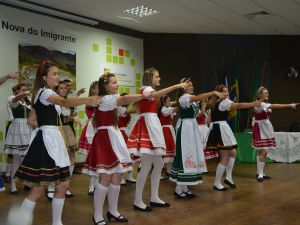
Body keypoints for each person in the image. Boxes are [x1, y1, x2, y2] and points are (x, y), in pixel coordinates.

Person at [8, 60, 100, 225]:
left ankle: (57, 223)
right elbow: (64, 102)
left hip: (53, 138)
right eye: (55, 74)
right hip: (47, 141)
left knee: (63, 185)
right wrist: (87, 99)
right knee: (37, 189)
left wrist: (48, 126)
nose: (58, 77)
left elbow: (31, 120)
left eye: (59, 73)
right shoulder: (44, 93)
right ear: (44, 77)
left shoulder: (44, 94)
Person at [82, 73, 151, 225]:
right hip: (105, 138)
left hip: (114, 136)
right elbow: (125, 100)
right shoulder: (106, 99)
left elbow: (124, 110)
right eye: (114, 82)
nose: (117, 84)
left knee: (118, 176)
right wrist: (143, 95)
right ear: (105, 86)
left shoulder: (112, 101)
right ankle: (97, 215)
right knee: (105, 178)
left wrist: (141, 110)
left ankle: (113, 211)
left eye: (117, 82)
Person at [127, 67, 188, 212]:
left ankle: (154, 197)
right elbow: (156, 94)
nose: (159, 78)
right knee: (147, 165)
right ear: (150, 79)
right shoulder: (145, 89)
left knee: (159, 163)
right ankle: (138, 200)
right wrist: (177, 86)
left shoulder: (148, 91)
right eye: (157, 76)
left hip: (152, 124)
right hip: (148, 125)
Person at [170, 78, 224, 199]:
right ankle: (178, 189)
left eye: (192, 85)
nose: (191, 87)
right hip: (186, 129)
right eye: (189, 85)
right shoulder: (184, 98)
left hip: (192, 127)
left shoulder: (191, 100)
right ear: (183, 87)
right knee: (185, 155)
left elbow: (198, 113)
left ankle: (184, 187)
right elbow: (195, 98)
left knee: (191, 155)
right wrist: (213, 93)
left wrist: (204, 105)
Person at [206, 84, 260, 191]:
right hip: (222, 129)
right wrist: (252, 104)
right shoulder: (224, 102)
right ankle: (217, 183)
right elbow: (239, 105)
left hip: (220, 128)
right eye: (224, 92)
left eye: (227, 91)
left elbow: (208, 120)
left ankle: (229, 177)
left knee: (233, 153)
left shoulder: (215, 103)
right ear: (218, 93)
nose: (226, 93)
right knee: (224, 157)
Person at [252, 86, 299, 182]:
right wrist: (289, 105)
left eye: (267, 93)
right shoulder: (260, 104)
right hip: (261, 129)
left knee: (261, 151)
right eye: (265, 93)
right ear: (260, 95)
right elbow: (274, 106)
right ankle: (260, 174)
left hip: (265, 127)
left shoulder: (263, 104)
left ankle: (259, 172)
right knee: (263, 151)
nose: (267, 94)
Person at [46, 81, 81, 200]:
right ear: (56, 90)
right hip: (57, 130)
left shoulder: (69, 102)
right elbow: (62, 117)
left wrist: (73, 115)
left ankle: (66, 186)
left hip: (68, 130)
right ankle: (51, 187)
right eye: (61, 88)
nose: (64, 90)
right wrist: (72, 117)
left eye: (65, 88)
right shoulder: (53, 101)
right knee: (56, 159)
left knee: (71, 158)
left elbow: (72, 114)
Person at [4, 83, 32, 194]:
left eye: (26, 89)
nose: (25, 92)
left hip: (27, 129)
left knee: (26, 158)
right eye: (23, 90)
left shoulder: (28, 102)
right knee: (16, 158)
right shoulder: (12, 99)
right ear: (17, 91)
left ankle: (25, 181)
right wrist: (25, 94)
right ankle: (13, 184)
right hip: (17, 129)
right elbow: (15, 100)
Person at [78, 81, 99, 195]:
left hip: (101, 129)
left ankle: (96, 183)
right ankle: (91, 184)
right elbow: (94, 107)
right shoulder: (91, 101)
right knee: (92, 158)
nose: (100, 89)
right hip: (92, 129)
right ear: (93, 90)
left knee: (99, 158)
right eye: (97, 88)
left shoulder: (102, 99)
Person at [118, 93, 138, 184]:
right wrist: (138, 109)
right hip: (121, 134)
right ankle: (121, 177)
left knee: (131, 155)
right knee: (122, 156)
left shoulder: (125, 109)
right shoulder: (119, 109)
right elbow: (127, 112)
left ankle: (129, 176)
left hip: (127, 133)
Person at [158, 95, 177, 177]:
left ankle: (169, 170)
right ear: (164, 102)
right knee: (166, 149)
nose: (170, 102)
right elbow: (174, 109)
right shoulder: (164, 109)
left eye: (170, 100)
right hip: (165, 131)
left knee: (170, 149)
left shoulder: (167, 108)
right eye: (168, 100)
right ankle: (159, 172)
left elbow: (173, 105)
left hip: (169, 130)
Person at [196, 100, 219, 166]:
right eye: (204, 100)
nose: (206, 101)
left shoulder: (207, 110)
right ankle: (199, 165)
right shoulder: (197, 110)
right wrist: (203, 105)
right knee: (200, 147)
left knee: (205, 147)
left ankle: (203, 166)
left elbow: (208, 121)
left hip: (205, 129)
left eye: (207, 100)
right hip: (199, 129)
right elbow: (201, 113)